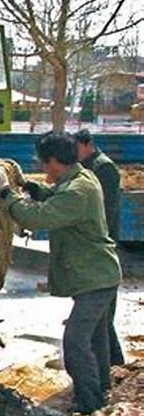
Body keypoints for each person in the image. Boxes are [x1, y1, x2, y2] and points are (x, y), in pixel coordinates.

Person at [0, 133, 122, 414]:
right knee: (97, 341)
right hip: (97, 275)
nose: (43, 168)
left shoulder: (77, 191)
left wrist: (7, 196)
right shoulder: (80, 179)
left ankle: (90, 405)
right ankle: (102, 395)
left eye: (44, 163)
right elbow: (55, 199)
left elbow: (38, 218)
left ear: (54, 162)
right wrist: (32, 188)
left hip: (95, 279)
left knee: (75, 343)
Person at [73, 129, 124, 366]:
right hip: (96, 249)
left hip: (103, 247)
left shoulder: (104, 168)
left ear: (87, 144)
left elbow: (107, 210)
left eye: (76, 148)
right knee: (100, 319)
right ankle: (111, 366)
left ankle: (113, 365)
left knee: (103, 317)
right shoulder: (89, 167)